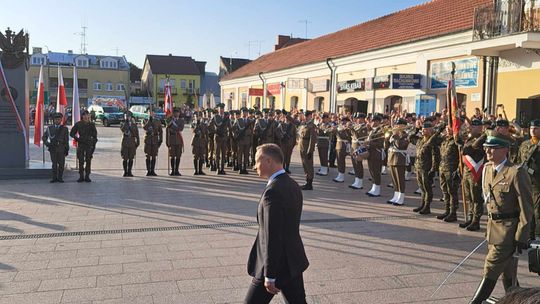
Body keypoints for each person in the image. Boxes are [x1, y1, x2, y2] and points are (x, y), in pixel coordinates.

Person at [469, 132, 533, 304]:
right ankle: (517, 300)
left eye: (493, 148)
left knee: (491, 268)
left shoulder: (516, 173)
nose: (488, 152)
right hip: (492, 230)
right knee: (508, 274)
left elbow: (526, 207)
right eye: (487, 148)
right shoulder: (488, 169)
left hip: (508, 232)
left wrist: (522, 235)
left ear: (505, 150)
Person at [245, 143, 309, 304]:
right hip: (292, 262)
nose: (255, 166)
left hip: (275, 264)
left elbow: (272, 235)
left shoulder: (273, 192)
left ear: (268, 161)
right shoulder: (292, 184)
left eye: (257, 161)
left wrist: (270, 275)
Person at [457, 118, 486, 231]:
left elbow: (473, 147)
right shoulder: (468, 138)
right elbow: (459, 140)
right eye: (471, 126)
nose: (471, 128)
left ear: (480, 127)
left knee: (476, 197)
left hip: (475, 172)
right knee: (469, 196)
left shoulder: (483, 138)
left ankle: (476, 220)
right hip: (467, 172)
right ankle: (470, 217)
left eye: (474, 126)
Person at [518, 119, 540, 240]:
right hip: (525, 182)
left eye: (536, 128)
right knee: (525, 210)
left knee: (537, 212)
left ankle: (537, 236)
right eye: (531, 128)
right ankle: (527, 234)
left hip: (537, 183)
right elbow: (518, 160)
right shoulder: (525, 144)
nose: (533, 130)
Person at [386, 119, 409, 206]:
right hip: (392, 157)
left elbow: (400, 145)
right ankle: (396, 195)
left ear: (403, 126)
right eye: (396, 125)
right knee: (394, 179)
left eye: (398, 125)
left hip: (400, 158)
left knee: (400, 179)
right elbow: (386, 145)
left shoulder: (405, 135)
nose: (396, 126)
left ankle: (401, 197)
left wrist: (395, 136)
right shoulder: (395, 135)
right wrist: (388, 138)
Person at [70, 110, 98, 182]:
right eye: (84, 115)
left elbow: (95, 136)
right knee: (81, 160)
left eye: (87, 115)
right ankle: (81, 176)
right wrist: (77, 139)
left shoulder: (92, 124)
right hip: (81, 143)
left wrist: (93, 143)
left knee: (88, 160)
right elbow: (72, 133)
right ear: (82, 116)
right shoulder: (78, 124)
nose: (86, 117)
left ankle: (87, 176)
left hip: (89, 144)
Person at [42, 112, 69, 183]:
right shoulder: (50, 128)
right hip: (53, 148)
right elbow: (44, 137)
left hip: (61, 148)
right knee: (54, 164)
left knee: (61, 164)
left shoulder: (65, 129)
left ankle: (60, 177)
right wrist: (48, 144)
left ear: (61, 120)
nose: (57, 120)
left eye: (59, 119)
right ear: (53, 120)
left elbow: (66, 140)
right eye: (56, 119)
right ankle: (54, 178)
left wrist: (66, 149)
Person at [365, 115, 385, 197]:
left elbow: (380, 143)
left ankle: (377, 189)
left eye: (373, 121)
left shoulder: (381, 130)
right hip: (371, 153)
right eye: (371, 120)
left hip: (376, 153)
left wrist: (369, 143)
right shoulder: (372, 130)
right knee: (372, 170)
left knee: (376, 171)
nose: (371, 122)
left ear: (377, 122)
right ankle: (374, 187)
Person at [298, 110, 318, 190]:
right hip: (302, 147)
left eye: (307, 116)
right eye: (305, 115)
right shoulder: (304, 124)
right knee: (304, 165)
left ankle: (309, 184)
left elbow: (312, 139)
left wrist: (310, 151)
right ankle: (307, 181)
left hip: (307, 148)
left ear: (310, 116)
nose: (305, 117)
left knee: (309, 165)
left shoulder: (312, 125)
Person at [211, 103, 230, 175]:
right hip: (218, 137)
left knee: (223, 154)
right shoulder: (215, 117)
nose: (221, 110)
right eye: (220, 109)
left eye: (222, 109)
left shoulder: (226, 117)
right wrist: (215, 132)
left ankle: (222, 169)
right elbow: (210, 126)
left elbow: (229, 127)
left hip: (224, 137)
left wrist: (227, 133)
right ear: (218, 109)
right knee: (217, 154)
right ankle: (218, 168)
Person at [143, 110, 163, 176]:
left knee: (154, 156)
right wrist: (149, 121)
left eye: (152, 112)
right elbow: (145, 127)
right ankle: (148, 171)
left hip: (155, 140)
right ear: (147, 113)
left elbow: (160, 131)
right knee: (148, 156)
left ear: (154, 113)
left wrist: (160, 139)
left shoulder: (157, 121)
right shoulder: (145, 120)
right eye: (149, 112)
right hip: (148, 140)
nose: (151, 114)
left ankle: (153, 171)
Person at [120, 111, 139, 177]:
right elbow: (122, 129)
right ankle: (125, 172)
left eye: (128, 116)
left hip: (132, 142)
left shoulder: (134, 125)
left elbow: (137, 134)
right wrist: (126, 122)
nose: (127, 117)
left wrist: (137, 143)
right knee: (125, 158)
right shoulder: (123, 124)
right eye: (126, 116)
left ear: (131, 117)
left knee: (131, 158)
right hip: (125, 142)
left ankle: (129, 171)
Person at [166, 108, 185, 176]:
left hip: (179, 140)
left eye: (178, 113)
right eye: (175, 113)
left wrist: (172, 127)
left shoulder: (181, 121)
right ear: (173, 113)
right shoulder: (169, 121)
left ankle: (177, 170)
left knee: (178, 156)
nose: (177, 114)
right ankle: (173, 171)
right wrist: (167, 142)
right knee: (172, 156)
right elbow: (167, 131)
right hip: (172, 140)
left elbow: (181, 128)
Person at [234, 107, 253, 174]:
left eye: (246, 112)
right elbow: (235, 130)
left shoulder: (249, 121)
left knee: (246, 154)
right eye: (243, 112)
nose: (245, 113)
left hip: (247, 140)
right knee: (240, 154)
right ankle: (240, 168)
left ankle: (244, 168)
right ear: (241, 113)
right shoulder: (238, 121)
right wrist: (237, 138)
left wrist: (251, 141)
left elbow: (252, 131)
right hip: (241, 140)